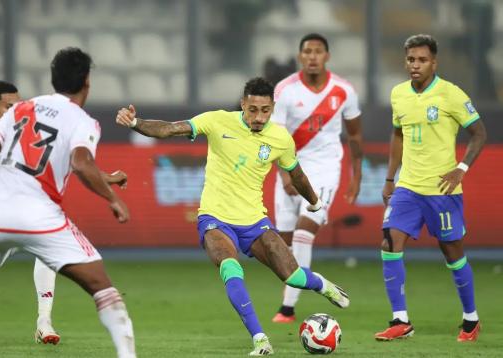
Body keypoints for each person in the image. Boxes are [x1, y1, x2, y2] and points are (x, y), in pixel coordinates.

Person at [116, 77, 349, 356]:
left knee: (293, 276)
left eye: (265, 110)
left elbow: (295, 174)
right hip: (215, 218)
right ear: (243, 105)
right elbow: (170, 129)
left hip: (254, 221)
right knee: (230, 268)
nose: (259, 117)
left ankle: (323, 285)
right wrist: (134, 123)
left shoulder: (280, 138)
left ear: (273, 108)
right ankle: (260, 339)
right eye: (253, 110)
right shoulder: (217, 121)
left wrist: (314, 202)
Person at [0, 47, 136, 358]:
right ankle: (126, 353)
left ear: (52, 79)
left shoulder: (22, 110)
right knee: (101, 284)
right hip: (40, 216)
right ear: (87, 83)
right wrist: (112, 198)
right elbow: (80, 163)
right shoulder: (82, 120)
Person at [376, 34, 487, 342]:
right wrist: (389, 178)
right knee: (389, 243)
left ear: (434, 62)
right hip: (408, 188)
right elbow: (398, 135)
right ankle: (400, 320)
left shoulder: (450, 94)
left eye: (422, 60)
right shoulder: (399, 94)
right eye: (411, 59)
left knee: (453, 254)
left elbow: (479, 133)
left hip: (442, 191)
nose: (415, 65)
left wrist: (461, 168)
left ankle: (470, 318)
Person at [270, 33, 363, 323]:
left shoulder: (344, 90)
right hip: (291, 168)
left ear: (327, 56)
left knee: (303, 233)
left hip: (325, 170)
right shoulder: (285, 90)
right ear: (300, 56)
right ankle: (294, 298)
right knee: (283, 245)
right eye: (307, 51)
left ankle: (287, 308)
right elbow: (275, 136)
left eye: (318, 51)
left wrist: (356, 175)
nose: (312, 56)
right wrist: (284, 173)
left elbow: (355, 135)